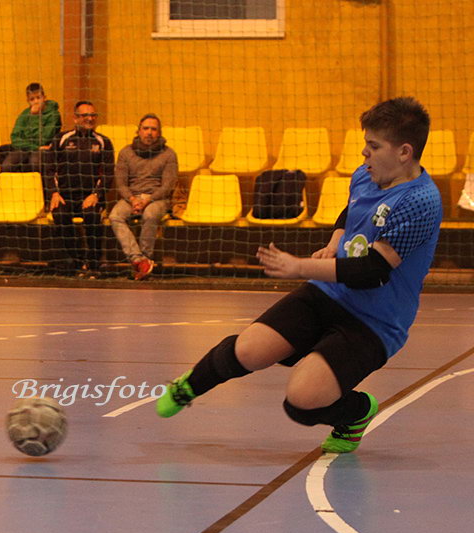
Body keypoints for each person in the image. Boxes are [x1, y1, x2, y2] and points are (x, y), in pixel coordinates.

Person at [156, 97, 442, 454]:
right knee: (249, 350)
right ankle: (188, 387)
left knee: (302, 401)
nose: (364, 152)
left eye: (373, 145)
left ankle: (357, 412)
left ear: (404, 152)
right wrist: (335, 241)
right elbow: (350, 212)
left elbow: (372, 271)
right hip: (329, 293)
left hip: (374, 321)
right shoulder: (366, 175)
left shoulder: (420, 201)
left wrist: (299, 267)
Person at [44, 101, 114, 276]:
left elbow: (108, 174)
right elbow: (49, 169)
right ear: (75, 118)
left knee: (92, 216)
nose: (90, 119)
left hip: (90, 197)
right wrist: (54, 193)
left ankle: (93, 262)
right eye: (85, 115)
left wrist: (96, 195)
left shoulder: (103, 142)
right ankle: (74, 261)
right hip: (64, 196)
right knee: (60, 215)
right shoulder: (61, 139)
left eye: (93, 115)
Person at [108, 114, 178, 280]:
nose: (149, 132)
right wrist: (133, 199)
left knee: (150, 214)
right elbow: (121, 183)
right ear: (138, 131)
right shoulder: (126, 152)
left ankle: (146, 258)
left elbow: (167, 186)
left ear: (159, 133)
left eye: (153, 129)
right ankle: (139, 260)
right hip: (131, 198)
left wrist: (148, 200)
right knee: (115, 216)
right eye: (146, 128)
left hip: (157, 199)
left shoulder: (169, 154)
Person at [0, 82, 61, 172]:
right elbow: (15, 138)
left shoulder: (53, 114)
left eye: (38, 97)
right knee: (7, 166)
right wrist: (33, 146)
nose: (36, 102)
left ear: (44, 98)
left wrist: (34, 118)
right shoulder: (25, 114)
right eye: (32, 99)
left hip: (44, 150)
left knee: (35, 163)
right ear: (28, 101)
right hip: (25, 149)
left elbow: (43, 140)